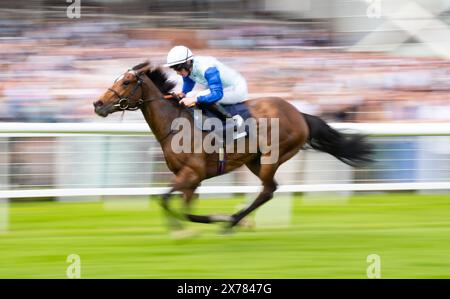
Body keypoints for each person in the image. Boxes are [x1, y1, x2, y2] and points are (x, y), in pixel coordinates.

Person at [164, 45, 247, 127]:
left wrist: (195, 99)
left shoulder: (206, 68)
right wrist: (183, 92)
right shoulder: (190, 67)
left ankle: (233, 122)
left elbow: (217, 94)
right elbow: (189, 80)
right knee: (189, 95)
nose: (177, 73)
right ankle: (204, 122)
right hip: (224, 88)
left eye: (178, 69)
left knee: (198, 96)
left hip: (236, 89)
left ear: (188, 63)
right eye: (175, 69)